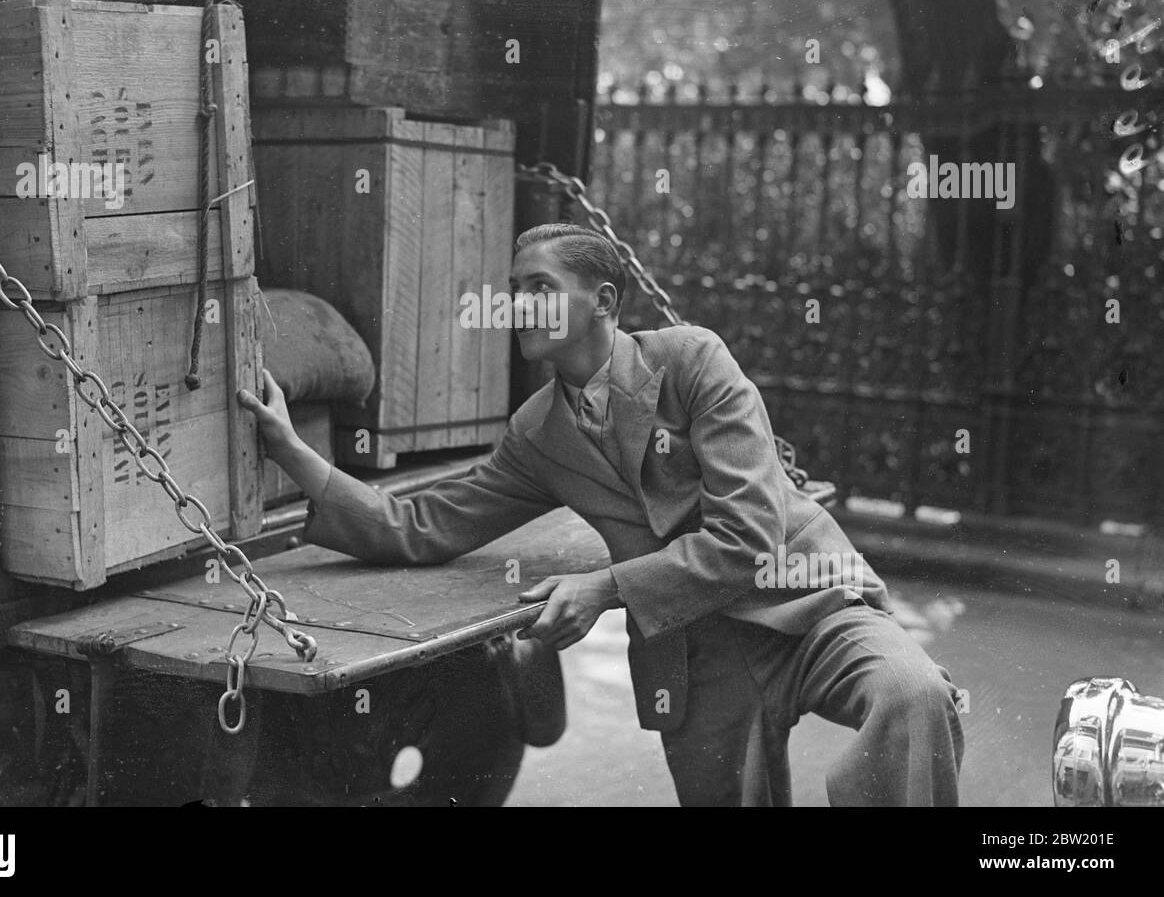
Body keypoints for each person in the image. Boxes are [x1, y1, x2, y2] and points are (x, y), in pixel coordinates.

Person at [239, 223, 965, 806]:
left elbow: (749, 538)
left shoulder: (693, 362)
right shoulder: (538, 431)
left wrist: (607, 587)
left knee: (914, 694)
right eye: (515, 292)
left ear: (606, 301)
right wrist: (293, 450)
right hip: (694, 653)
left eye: (541, 289)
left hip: (809, 603)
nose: (521, 306)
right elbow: (424, 524)